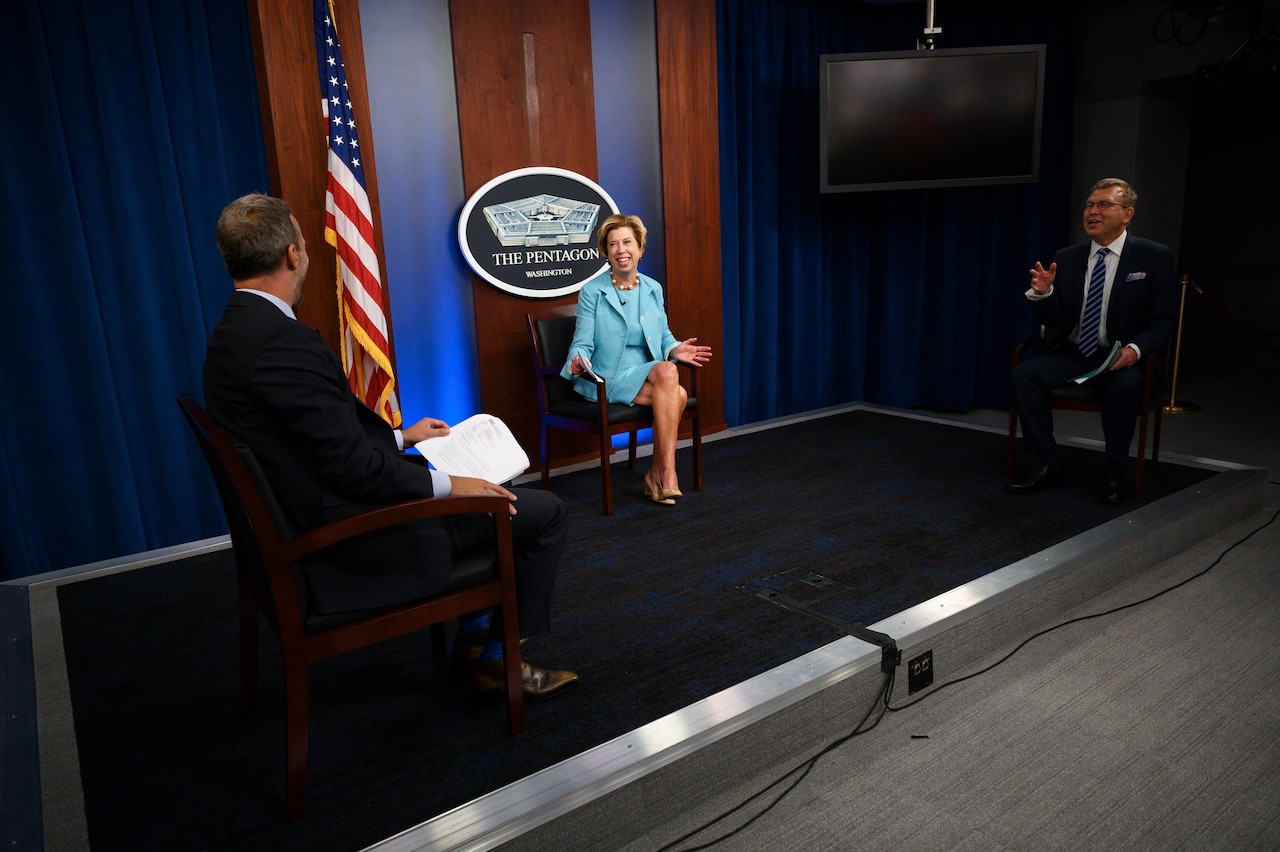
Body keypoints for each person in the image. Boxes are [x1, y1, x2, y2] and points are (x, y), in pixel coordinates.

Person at [202, 193, 576, 701]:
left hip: (317, 510)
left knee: (483, 489)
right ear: (293, 254)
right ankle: (498, 660)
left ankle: (471, 639)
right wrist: (448, 486)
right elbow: (353, 470)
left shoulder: (233, 333)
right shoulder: (280, 342)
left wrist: (402, 437)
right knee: (542, 511)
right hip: (350, 538)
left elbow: (315, 440)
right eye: (307, 242)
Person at [1008, 178, 1176, 504]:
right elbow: (1054, 319)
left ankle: (1114, 470)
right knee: (1024, 374)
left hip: (1121, 356)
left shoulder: (1153, 256)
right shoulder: (1068, 256)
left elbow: (1163, 319)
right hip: (1075, 352)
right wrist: (1043, 295)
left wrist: (1135, 350)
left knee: (1124, 387)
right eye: (1089, 205)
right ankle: (1048, 461)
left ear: (1127, 214)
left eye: (1103, 205)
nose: (1093, 212)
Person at [561, 213, 712, 505]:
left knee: (670, 377)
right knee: (676, 391)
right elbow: (582, 341)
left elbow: (664, 336)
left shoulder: (653, 288)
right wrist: (577, 361)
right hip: (608, 377)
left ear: (640, 249)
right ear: (606, 252)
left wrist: (675, 349)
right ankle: (665, 474)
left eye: (628, 242)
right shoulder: (592, 291)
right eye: (613, 244)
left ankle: (658, 471)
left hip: (650, 373)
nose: (621, 250)